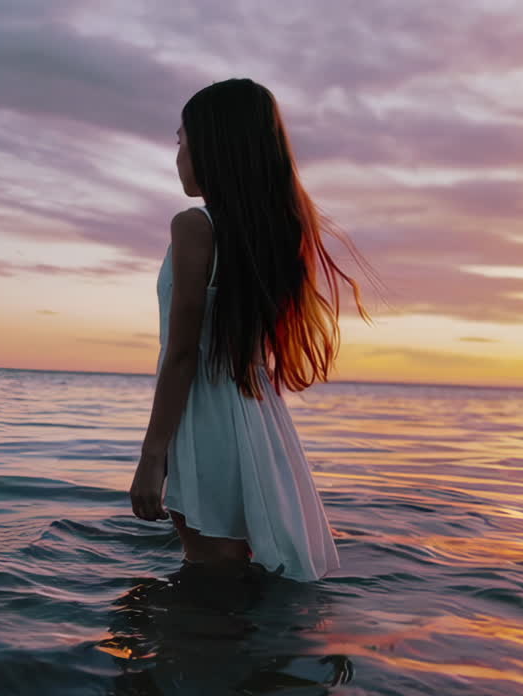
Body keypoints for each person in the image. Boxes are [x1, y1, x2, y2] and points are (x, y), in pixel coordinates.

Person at [129, 78, 373, 583]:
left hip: (207, 416)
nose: (177, 157)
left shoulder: (194, 227)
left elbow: (182, 355)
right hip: (260, 419)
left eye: (181, 142)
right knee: (244, 574)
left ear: (212, 147)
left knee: (207, 576)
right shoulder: (275, 233)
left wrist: (153, 455)